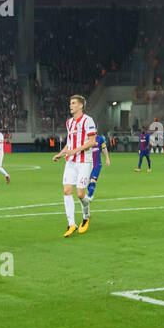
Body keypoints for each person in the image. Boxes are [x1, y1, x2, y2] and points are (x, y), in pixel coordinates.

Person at [52, 94, 97, 237]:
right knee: (66, 191)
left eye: (73, 103)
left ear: (81, 105)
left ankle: (86, 216)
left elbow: (92, 141)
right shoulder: (69, 122)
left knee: (80, 194)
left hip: (84, 161)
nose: (70, 105)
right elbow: (70, 143)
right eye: (70, 103)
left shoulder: (88, 120)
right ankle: (71, 224)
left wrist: (74, 151)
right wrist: (61, 153)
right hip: (71, 161)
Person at [78, 130, 110, 231]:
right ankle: (89, 196)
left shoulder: (100, 139)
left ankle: (90, 196)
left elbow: (104, 149)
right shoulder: (86, 140)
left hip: (97, 164)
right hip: (87, 165)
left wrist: (107, 159)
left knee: (93, 180)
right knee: (87, 183)